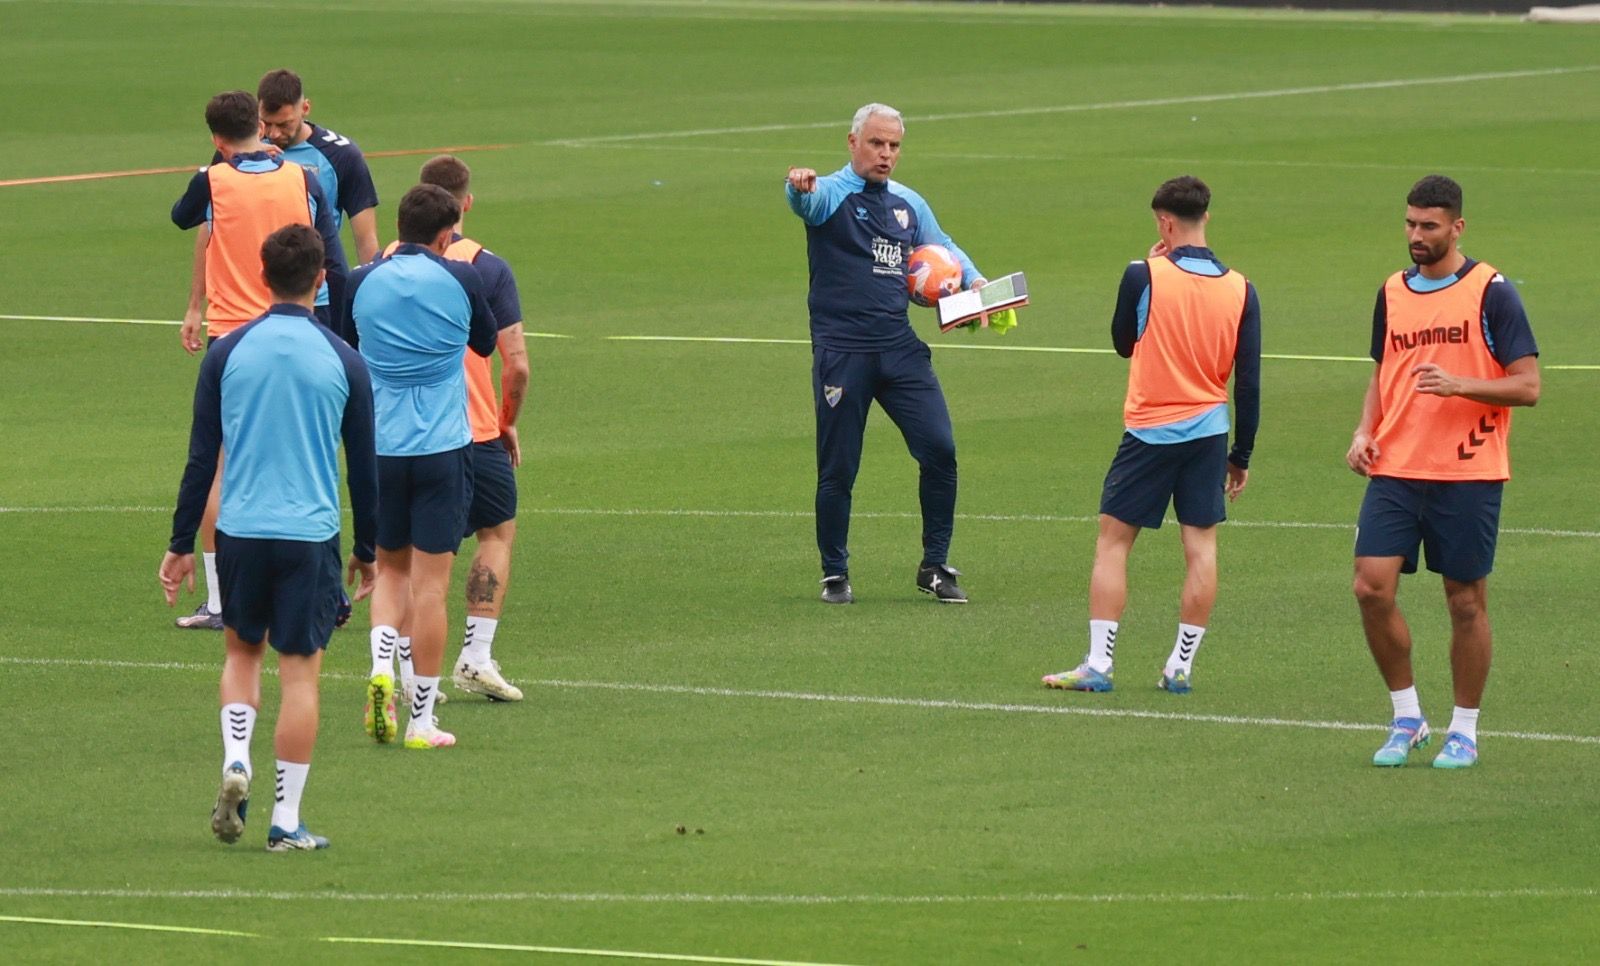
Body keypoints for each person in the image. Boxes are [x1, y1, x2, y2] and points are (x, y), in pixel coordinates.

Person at [158, 223, 377, 851]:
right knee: (300, 674)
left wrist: (180, 545)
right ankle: (285, 820)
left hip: (241, 533)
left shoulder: (228, 354)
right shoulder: (345, 360)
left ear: (260, 277)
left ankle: (236, 759)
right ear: (321, 279)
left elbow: (203, 459)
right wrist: (368, 551)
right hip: (309, 537)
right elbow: (364, 467)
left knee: (241, 656)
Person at [1347, 174, 1539, 770]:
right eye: (1409, 224)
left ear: (1457, 227)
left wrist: (1461, 384)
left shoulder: (1491, 292)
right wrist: (1363, 430)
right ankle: (1407, 717)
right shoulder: (1391, 292)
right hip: (1397, 467)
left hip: (1468, 471)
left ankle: (1465, 728)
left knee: (1463, 602)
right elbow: (1384, 372)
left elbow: (1528, 386)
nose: (1416, 236)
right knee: (1370, 586)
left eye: (1429, 226)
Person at [1043, 176, 1261, 695]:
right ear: (1205, 217)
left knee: (1114, 545)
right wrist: (1241, 453)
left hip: (1148, 432)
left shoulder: (1143, 274)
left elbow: (1123, 343)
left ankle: (1099, 665)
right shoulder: (1241, 289)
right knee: (1202, 549)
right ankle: (1180, 666)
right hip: (1209, 433)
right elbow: (1248, 381)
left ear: (1164, 223)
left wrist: (1145, 272)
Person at [784, 103, 985, 605]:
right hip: (843, 352)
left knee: (940, 449)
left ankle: (934, 566)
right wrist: (797, 184)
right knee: (838, 469)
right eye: (876, 143)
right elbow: (803, 201)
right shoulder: (829, 194)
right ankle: (835, 573)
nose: (886, 154)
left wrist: (976, 282)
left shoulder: (908, 204)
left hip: (899, 349)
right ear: (853, 143)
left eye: (894, 145)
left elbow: (944, 248)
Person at [169, 89, 348, 632]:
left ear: (217, 137)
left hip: (235, 337)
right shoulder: (303, 178)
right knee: (313, 452)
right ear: (262, 127)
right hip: (303, 326)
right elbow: (334, 262)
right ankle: (329, 590)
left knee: (220, 461)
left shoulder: (212, 180)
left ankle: (223, 601)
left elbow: (183, 219)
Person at [343, 184, 498, 749]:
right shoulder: (461, 278)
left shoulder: (360, 281)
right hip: (442, 446)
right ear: (444, 235)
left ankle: (382, 666)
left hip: (381, 446)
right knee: (431, 588)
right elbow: (483, 343)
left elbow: (345, 343)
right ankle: (421, 720)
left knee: (390, 572)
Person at [386, 155, 530, 705]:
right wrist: (506, 421)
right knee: (496, 534)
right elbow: (515, 362)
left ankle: (404, 668)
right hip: (474, 428)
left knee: (405, 561)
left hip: (402, 434)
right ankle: (475, 656)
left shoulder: (382, 264)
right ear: (465, 203)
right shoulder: (487, 269)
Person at [180, 69, 381, 353]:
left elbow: (365, 239)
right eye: (267, 124)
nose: (274, 133)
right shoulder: (233, 153)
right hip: (244, 304)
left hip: (313, 300)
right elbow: (209, 229)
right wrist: (194, 307)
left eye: (284, 124)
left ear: (305, 108)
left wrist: (370, 307)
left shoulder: (342, 156)